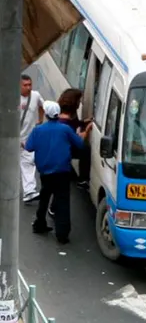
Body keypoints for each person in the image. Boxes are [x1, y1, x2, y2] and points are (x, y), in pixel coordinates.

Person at [25, 101, 92, 244]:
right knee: (62, 202)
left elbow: (29, 147)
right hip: (62, 171)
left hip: (45, 172)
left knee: (44, 197)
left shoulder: (38, 130)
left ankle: (39, 224)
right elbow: (79, 144)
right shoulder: (65, 129)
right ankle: (62, 234)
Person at [19, 74, 43, 203]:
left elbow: (42, 106)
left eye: (30, 85)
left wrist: (40, 120)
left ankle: (29, 191)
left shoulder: (36, 95)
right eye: (25, 85)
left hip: (27, 137)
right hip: (11, 137)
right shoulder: (11, 98)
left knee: (27, 161)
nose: (28, 88)